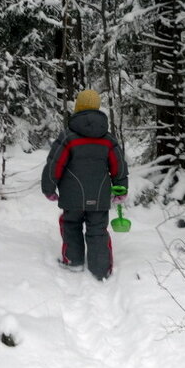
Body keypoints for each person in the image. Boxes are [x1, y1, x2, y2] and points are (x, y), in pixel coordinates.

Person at [41, 89, 129, 281]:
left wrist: (49, 187)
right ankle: (100, 269)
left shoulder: (68, 137)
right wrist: (121, 187)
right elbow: (118, 165)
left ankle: (73, 262)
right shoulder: (108, 139)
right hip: (99, 196)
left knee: (71, 225)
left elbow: (54, 163)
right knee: (98, 230)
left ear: (78, 107)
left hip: (72, 197)